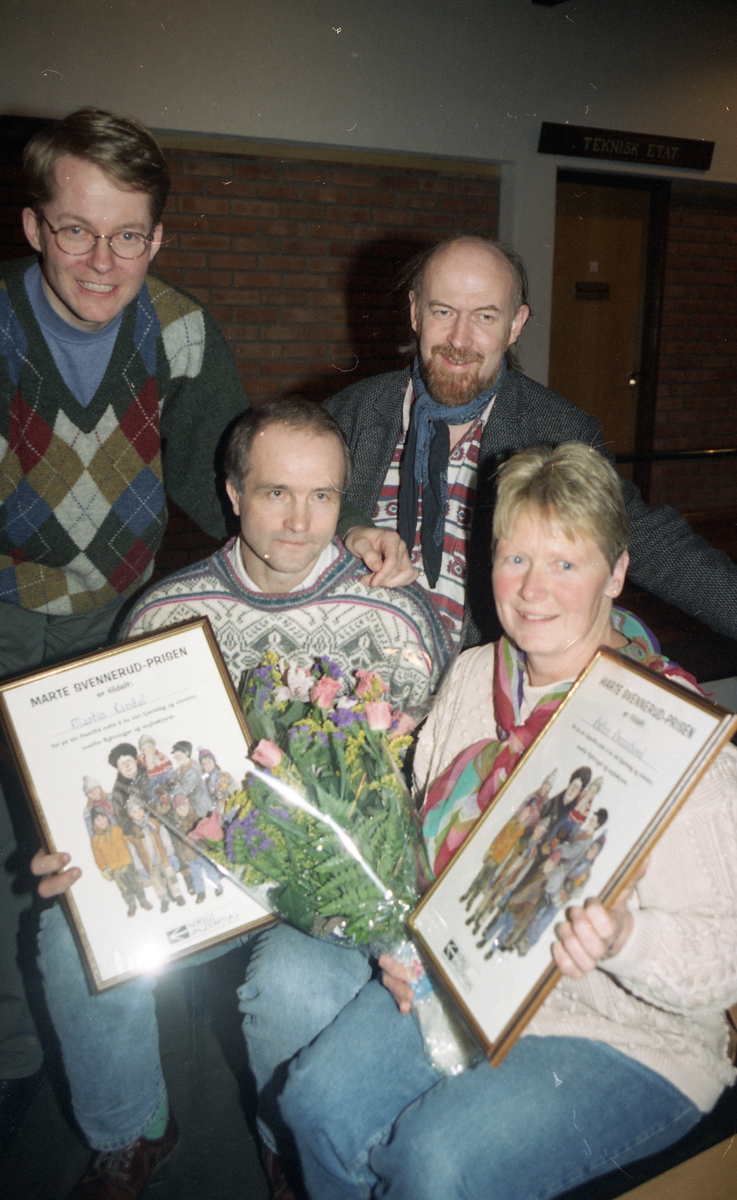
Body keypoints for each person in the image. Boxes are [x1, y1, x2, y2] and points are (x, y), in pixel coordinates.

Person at [239, 442, 737, 1200]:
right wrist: (409, 936)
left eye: (565, 564)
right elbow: (416, 845)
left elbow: (721, 962)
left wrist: (625, 940)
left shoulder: (669, 729)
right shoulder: (474, 676)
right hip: (466, 982)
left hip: (627, 1031)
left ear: (617, 572)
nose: (533, 591)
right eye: (513, 559)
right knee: (314, 1105)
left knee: (434, 1162)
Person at [30, 398, 451, 1200]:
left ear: (345, 499)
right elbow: (121, 775)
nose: (299, 521)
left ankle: (280, 1139)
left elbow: (431, 778)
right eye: (274, 493)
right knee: (71, 933)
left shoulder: (395, 617)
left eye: (322, 496)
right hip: (206, 865)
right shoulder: (166, 614)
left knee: (296, 984)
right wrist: (78, 841)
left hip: (336, 882)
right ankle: (131, 1132)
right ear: (230, 492)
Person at [0, 106, 249, 1144]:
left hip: (125, 617)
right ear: (31, 226)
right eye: (74, 230)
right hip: (9, 611)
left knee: (106, 847)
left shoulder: (181, 330)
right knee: (16, 849)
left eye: (128, 236)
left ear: (158, 238)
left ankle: (117, 1074)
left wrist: (324, 532)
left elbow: (220, 472)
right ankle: (23, 1065)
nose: (101, 261)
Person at [327, 233, 737, 647]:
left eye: (485, 317)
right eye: (444, 311)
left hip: (479, 692)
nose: (459, 339)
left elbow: (650, 543)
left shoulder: (557, 432)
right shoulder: (348, 415)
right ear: (415, 312)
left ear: (515, 324)